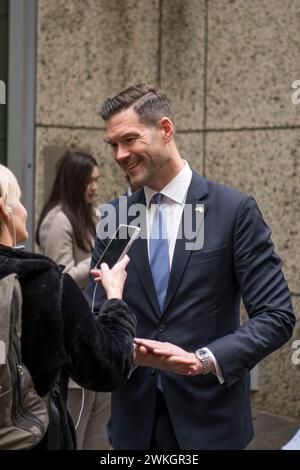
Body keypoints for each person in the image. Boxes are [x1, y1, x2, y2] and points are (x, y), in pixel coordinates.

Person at [85, 83, 295, 450]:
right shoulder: (116, 216)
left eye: (129, 140)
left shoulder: (233, 211)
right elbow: (96, 307)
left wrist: (203, 360)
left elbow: (276, 315)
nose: (119, 155)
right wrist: (115, 344)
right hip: (134, 424)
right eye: (113, 145)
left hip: (211, 420)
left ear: (166, 130)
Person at [0, 163, 136, 449]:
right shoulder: (44, 282)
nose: (25, 210)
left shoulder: (89, 215)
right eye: (20, 200)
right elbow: (108, 366)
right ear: (4, 208)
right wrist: (114, 297)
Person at [36, 151, 112, 450]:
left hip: (96, 333)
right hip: (73, 342)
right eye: (89, 181)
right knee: (74, 434)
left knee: (99, 436)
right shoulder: (57, 221)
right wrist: (101, 258)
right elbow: (60, 278)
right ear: (74, 181)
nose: (95, 187)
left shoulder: (89, 214)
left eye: (97, 180)